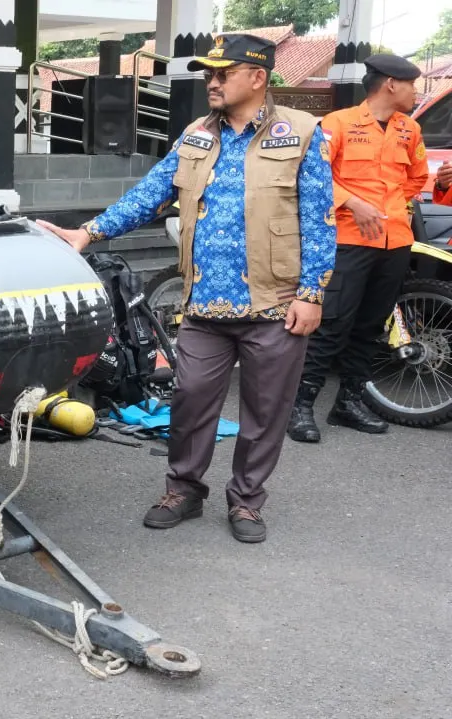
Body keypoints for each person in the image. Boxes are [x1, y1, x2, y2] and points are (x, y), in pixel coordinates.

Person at [37, 33, 336, 544]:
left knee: (265, 412)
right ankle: (184, 490)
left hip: (275, 304)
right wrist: (88, 233)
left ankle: (246, 500)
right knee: (191, 399)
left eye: (223, 74)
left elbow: (319, 220)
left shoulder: (302, 133)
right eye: (208, 75)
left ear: (257, 77)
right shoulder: (196, 135)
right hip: (205, 306)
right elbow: (151, 194)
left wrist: (312, 294)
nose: (212, 83)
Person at [287, 54, 427, 442]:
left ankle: (348, 403)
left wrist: (389, 206)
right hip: (347, 241)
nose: (416, 93)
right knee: (331, 325)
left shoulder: (410, 129)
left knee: (370, 327)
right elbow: (310, 176)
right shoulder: (338, 124)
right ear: (391, 84)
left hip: (395, 241)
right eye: (412, 85)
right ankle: (300, 407)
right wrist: (351, 201)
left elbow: (416, 178)